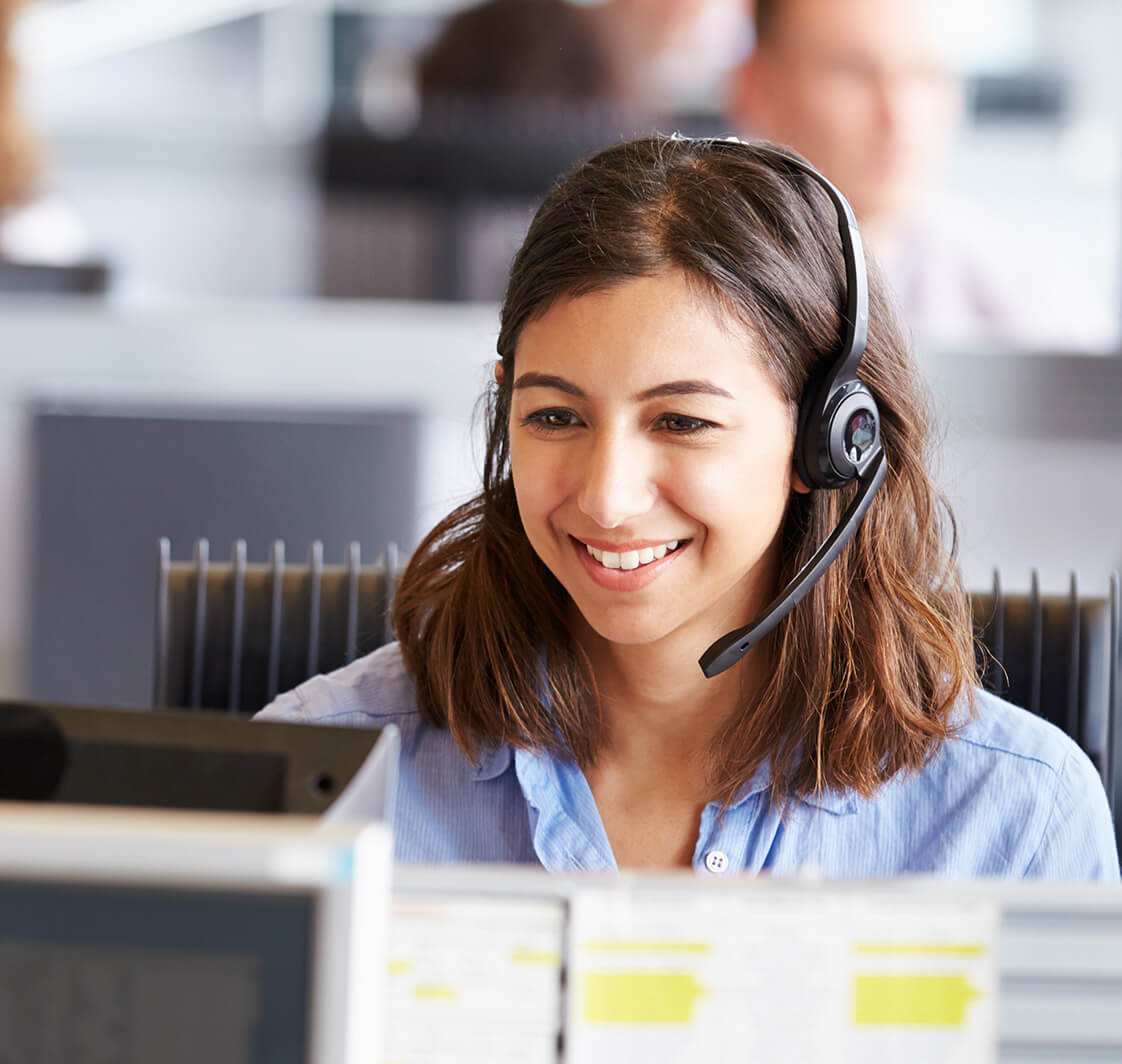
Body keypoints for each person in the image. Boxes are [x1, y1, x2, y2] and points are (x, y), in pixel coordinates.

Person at [257, 135, 1118, 880]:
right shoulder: (322, 775)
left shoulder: (1015, 823)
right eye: (556, 416)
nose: (606, 494)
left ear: (827, 439)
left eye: (681, 421)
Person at [728, 0, 1033, 350]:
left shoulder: (1008, 294)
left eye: (924, 72)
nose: (898, 113)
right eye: (853, 72)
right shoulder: (691, 282)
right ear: (755, 88)